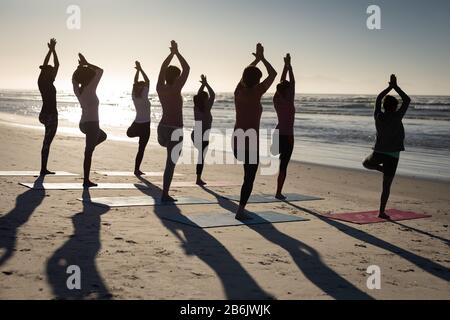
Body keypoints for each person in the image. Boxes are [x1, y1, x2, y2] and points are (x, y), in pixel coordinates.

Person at [233, 43, 277, 220]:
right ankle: (240, 210)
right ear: (257, 81)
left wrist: (256, 59)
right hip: (250, 142)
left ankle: (241, 210)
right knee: (249, 177)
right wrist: (263, 58)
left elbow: (244, 75)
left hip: (236, 140)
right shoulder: (257, 91)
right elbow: (273, 74)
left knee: (248, 174)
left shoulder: (238, 91)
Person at [363, 74, 411, 219]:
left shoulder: (378, 116)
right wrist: (396, 87)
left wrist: (389, 87)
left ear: (384, 106)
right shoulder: (397, 116)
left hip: (379, 152)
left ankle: (381, 168)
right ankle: (381, 212)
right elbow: (407, 100)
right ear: (395, 107)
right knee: (386, 185)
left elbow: (378, 98)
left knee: (366, 163)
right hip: (393, 154)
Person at [156, 41, 190, 202]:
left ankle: (165, 193)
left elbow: (162, 68)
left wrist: (170, 54)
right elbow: (187, 69)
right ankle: (165, 194)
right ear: (176, 78)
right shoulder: (176, 88)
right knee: (170, 163)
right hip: (175, 130)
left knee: (171, 157)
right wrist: (176, 52)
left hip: (161, 129)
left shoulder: (160, 87)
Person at [72, 53, 107, 188]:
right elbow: (100, 71)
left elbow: (74, 78)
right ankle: (86, 180)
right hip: (92, 124)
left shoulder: (77, 90)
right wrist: (86, 63)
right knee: (89, 153)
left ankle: (89, 148)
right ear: (89, 78)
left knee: (103, 136)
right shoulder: (91, 88)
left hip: (83, 124)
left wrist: (80, 68)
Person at [273, 53, 296, 200]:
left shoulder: (277, 99)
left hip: (278, 132)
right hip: (287, 136)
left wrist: (285, 67)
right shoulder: (289, 100)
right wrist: (289, 66)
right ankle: (278, 192)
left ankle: (274, 149)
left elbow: (283, 82)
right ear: (287, 90)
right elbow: (292, 82)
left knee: (281, 160)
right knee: (284, 165)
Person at [38, 38, 59, 176]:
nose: (53, 71)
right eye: (50, 71)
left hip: (45, 114)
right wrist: (51, 50)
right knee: (47, 142)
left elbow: (56, 65)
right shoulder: (43, 81)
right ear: (47, 72)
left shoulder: (44, 81)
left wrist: (52, 50)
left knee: (47, 142)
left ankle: (44, 168)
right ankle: (43, 169)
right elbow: (50, 64)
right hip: (50, 115)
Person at [127, 61, 151, 176]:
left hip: (137, 123)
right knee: (141, 148)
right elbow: (147, 81)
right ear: (143, 88)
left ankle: (137, 169)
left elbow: (135, 83)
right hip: (145, 125)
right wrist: (140, 69)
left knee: (132, 136)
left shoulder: (134, 96)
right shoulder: (144, 95)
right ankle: (136, 169)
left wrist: (137, 71)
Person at [191, 74, 215, 185]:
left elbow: (199, 95)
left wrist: (203, 86)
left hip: (195, 134)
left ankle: (198, 178)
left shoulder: (196, 106)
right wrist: (206, 84)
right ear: (205, 99)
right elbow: (213, 94)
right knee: (201, 157)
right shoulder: (206, 107)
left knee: (200, 155)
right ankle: (198, 179)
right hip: (202, 135)